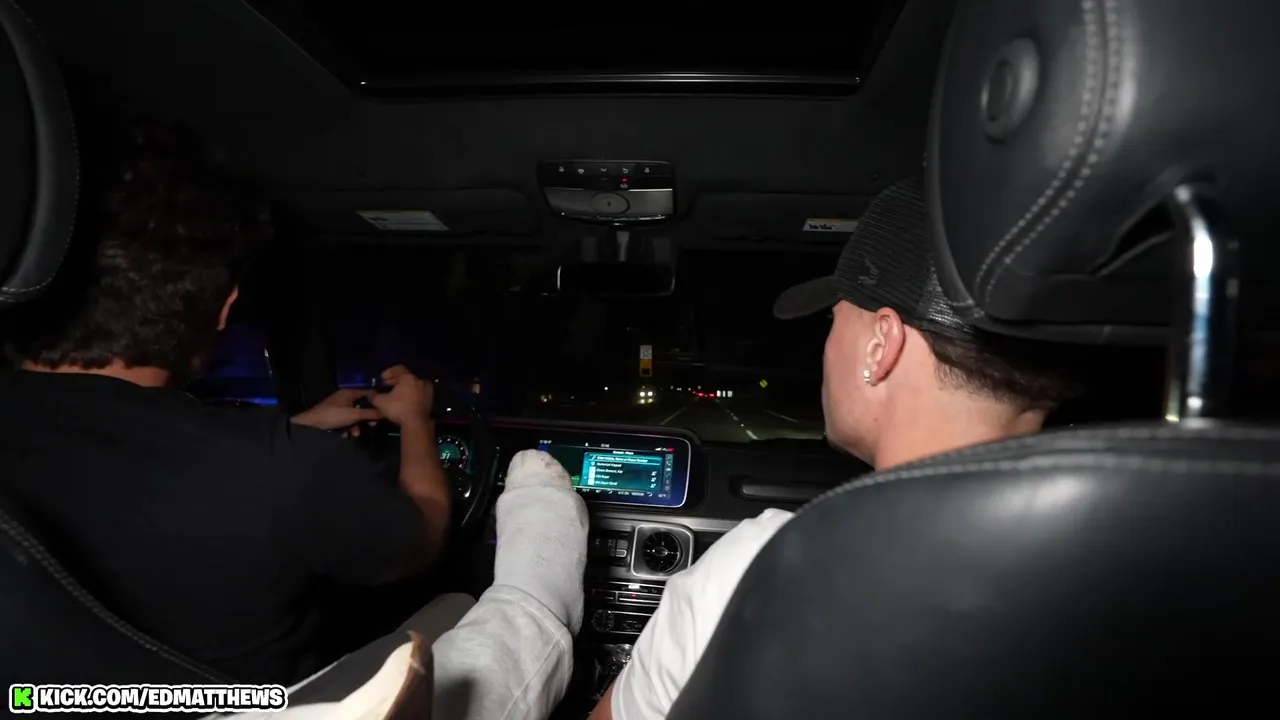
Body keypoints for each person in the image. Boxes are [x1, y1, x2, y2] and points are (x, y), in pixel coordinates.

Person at [590, 176, 1083, 720]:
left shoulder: (764, 569)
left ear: (880, 345)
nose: (826, 345)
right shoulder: (1128, 583)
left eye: (834, 319)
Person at [0, 122, 453, 685]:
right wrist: (415, 421)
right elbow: (423, 536)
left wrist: (295, 429)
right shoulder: (282, 470)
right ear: (222, 308)